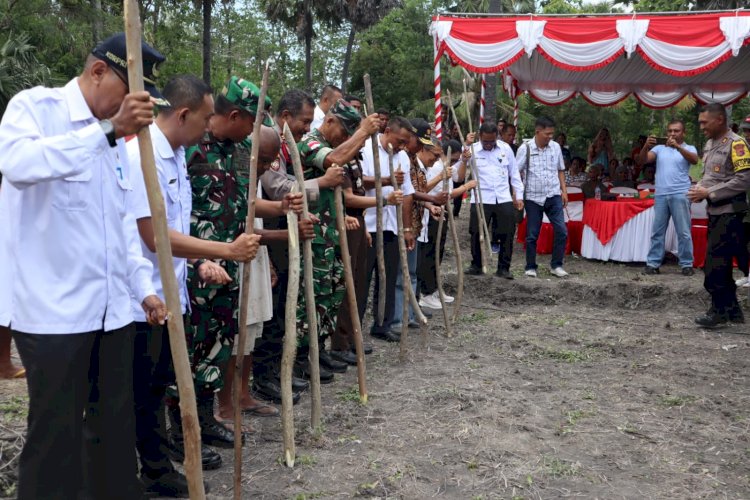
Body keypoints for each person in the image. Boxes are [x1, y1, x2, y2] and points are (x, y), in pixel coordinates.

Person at [0, 33, 168, 499]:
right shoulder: (36, 109)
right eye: (130, 92)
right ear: (98, 72)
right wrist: (107, 131)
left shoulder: (114, 144)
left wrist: (143, 289)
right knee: (54, 439)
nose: (136, 107)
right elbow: (17, 163)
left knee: (112, 435)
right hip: (54, 315)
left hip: (112, 315)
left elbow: (118, 233)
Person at [126, 75, 264, 488]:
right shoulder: (143, 157)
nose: (209, 127)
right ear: (183, 114)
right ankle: (146, 470)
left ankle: (155, 469)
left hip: (171, 290)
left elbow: (178, 227)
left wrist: (199, 260)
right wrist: (222, 252)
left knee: (152, 386)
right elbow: (154, 236)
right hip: (139, 296)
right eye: (206, 119)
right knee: (138, 393)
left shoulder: (174, 155)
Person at [253, 88, 340, 403]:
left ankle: (278, 372)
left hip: (287, 230)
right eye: (304, 121)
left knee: (282, 309)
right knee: (273, 310)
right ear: (285, 117)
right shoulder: (269, 144)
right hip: (272, 232)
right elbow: (279, 189)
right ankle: (264, 377)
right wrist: (322, 184)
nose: (307, 127)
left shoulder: (288, 146)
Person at [295, 100, 380, 380]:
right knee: (312, 297)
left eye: (349, 133)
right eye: (343, 131)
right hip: (312, 234)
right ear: (329, 121)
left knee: (331, 295)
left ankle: (320, 351)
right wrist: (363, 132)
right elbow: (332, 160)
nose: (346, 138)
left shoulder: (339, 142)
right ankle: (303, 358)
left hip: (331, 233)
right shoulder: (310, 142)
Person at [688, 103, 750, 327]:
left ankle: (718, 312)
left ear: (720, 120)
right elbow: (711, 177)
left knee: (714, 266)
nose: (701, 127)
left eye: (705, 122)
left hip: (731, 213)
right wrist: (699, 189)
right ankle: (732, 312)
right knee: (720, 264)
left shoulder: (737, 144)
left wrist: (709, 192)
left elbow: (744, 179)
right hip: (714, 211)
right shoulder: (710, 143)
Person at [361, 117, 416, 342]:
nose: (403, 146)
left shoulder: (402, 156)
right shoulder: (366, 149)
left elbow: (408, 194)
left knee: (388, 277)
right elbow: (358, 182)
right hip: (368, 225)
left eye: (405, 142)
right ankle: (354, 328)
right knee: (363, 279)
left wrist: (407, 228)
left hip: (391, 226)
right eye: (400, 140)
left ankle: (382, 324)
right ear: (386, 131)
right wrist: (385, 180)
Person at [392, 119, 449, 330]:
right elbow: (408, 193)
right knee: (401, 274)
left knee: (411, 273)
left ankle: (410, 312)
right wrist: (431, 200)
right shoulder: (401, 159)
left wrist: (428, 205)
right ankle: (398, 317)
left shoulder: (413, 161)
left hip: (415, 224)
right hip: (403, 224)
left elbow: (415, 193)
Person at [418, 140, 475, 308]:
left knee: (439, 251)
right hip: (432, 211)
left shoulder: (446, 167)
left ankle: (433, 287)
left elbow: (459, 176)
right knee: (430, 252)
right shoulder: (436, 168)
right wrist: (466, 187)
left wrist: (463, 162)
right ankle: (425, 291)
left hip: (442, 211)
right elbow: (445, 193)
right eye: (452, 160)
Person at [638, 120, 699, 276]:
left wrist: (677, 147)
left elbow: (694, 160)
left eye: (676, 131)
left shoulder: (689, 148)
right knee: (657, 231)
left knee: (683, 231)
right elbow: (642, 161)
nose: (672, 134)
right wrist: (646, 146)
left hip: (681, 193)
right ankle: (653, 264)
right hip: (661, 194)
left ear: (683, 133)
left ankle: (686, 264)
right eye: (670, 131)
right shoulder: (659, 148)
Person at [466, 121, 523, 279]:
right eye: (486, 141)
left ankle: (504, 268)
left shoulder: (505, 149)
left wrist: (518, 196)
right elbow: (460, 169)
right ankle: (476, 264)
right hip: (481, 197)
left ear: (497, 137)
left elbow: (514, 173)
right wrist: (465, 153)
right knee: (476, 231)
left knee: (507, 232)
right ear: (480, 137)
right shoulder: (471, 150)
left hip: (503, 196)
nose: (489, 145)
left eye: (492, 141)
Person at [516, 116, 569, 278]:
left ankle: (556, 265)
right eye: (547, 134)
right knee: (532, 234)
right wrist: (517, 195)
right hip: (533, 197)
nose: (550, 137)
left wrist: (564, 191)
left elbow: (560, 169)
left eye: (552, 133)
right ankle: (530, 266)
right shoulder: (525, 148)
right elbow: (516, 172)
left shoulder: (555, 148)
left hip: (553, 195)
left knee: (562, 230)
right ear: (537, 132)